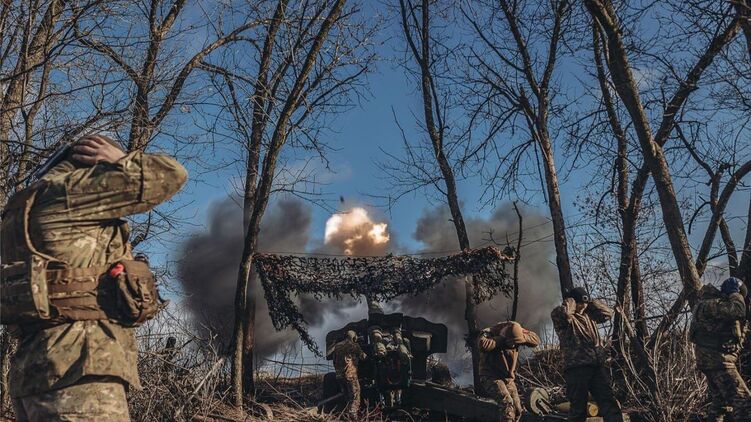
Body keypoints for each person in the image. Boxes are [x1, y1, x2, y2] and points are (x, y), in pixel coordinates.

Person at [0, 134, 187, 421]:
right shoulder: (69, 191)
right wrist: (120, 160)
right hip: (79, 370)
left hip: (33, 376)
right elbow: (170, 175)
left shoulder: (20, 210)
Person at [551, 287, 623, 422]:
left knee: (609, 402)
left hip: (596, 367)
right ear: (573, 302)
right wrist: (570, 302)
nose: (583, 306)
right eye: (580, 303)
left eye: (585, 303)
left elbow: (608, 313)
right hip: (576, 369)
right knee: (578, 409)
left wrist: (592, 302)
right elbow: (565, 314)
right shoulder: (561, 316)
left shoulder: (590, 316)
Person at [689, 277, 750, 421]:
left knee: (721, 404)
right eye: (738, 294)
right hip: (718, 361)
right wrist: (735, 293)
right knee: (744, 402)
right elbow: (738, 310)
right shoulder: (711, 304)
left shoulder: (715, 306)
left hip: (713, 361)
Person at [477, 320, 540, 422]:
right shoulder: (490, 332)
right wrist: (501, 339)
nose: (513, 346)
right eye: (512, 343)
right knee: (507, 404)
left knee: (518, 409)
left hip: (507, 378)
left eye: (516, 343)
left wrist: (522, 337)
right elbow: (483, 344)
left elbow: (536, 340)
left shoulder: (517, 330)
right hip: (491, 376)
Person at [332, 330, 367, 418]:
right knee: (355, 395)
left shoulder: (337, 346)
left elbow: (334, 360)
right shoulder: (354, 345)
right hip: (350, 375)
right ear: (354, 337)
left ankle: (347, 415)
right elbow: (363, 357)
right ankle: (352, 414)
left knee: (347, 396)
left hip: (339, 376)